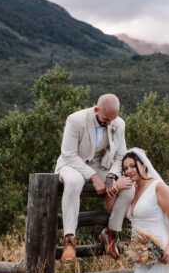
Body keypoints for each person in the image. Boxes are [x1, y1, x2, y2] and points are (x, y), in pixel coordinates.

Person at [55, 94, 133, 261]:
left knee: (128, 187)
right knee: (73, 182)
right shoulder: (75, 120)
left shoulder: (119, 124)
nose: (110, 124)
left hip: (102, 166)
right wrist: (94, 177)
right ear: (96, 109)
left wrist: (111, 177)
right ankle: (69, 239)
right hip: (73, 164)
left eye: (113, 119)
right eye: (106, 120)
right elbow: (68, 154)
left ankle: (110, 232)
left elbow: (120, 155)